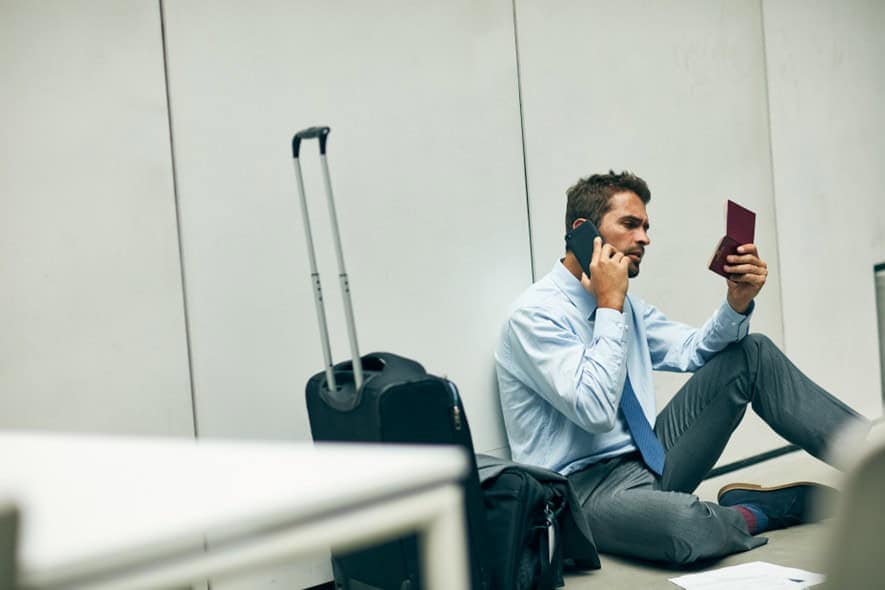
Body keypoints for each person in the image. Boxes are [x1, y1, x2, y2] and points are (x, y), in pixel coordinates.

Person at [494, 170, 870, 565]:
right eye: (629, 225)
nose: (644, 238)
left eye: (645, 227)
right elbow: (595, 411)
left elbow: (692, 350)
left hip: (648, 460)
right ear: (583, 231)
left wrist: (736, 302)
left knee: (751, 353)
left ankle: (871, 464)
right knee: (686, 526)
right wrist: (609, 306)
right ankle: (764, 510)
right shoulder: (535, 316)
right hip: (581, 493)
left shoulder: (626, 306)